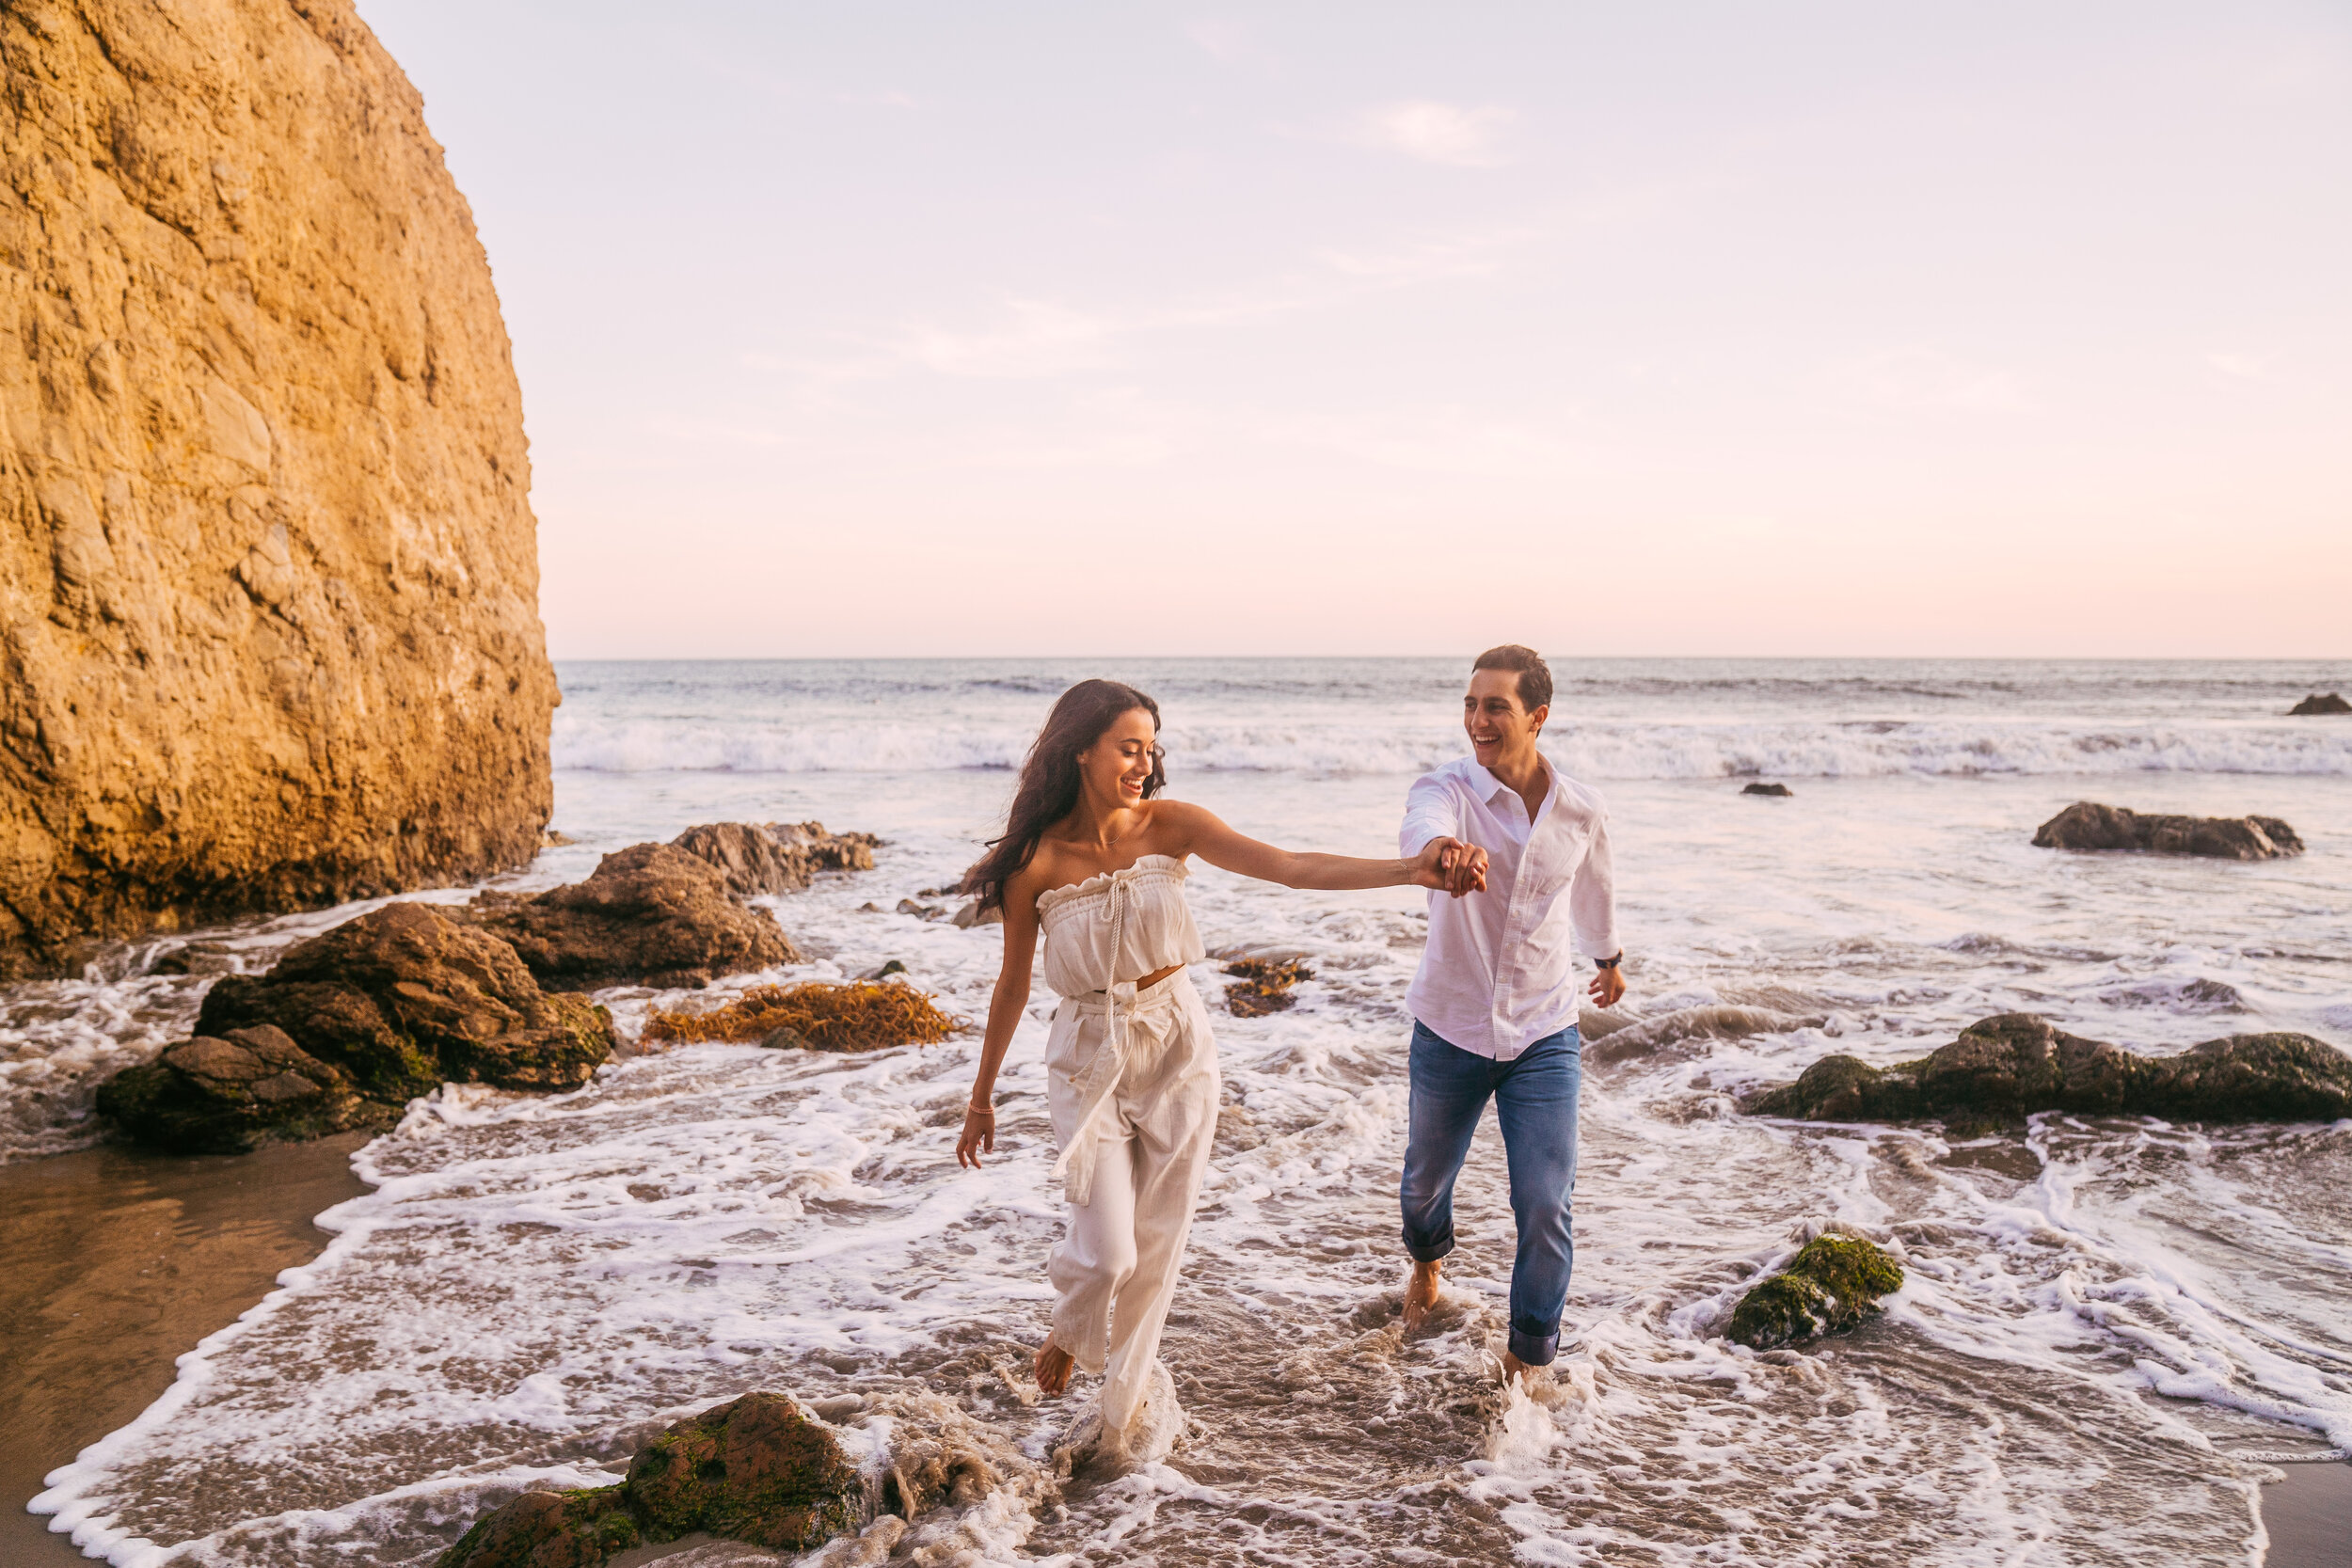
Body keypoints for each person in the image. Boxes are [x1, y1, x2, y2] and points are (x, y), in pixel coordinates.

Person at [954, 677, 1485, 1451]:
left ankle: (1114, 1431)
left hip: (1176, 1044)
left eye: (1150, 748)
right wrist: (981, 1096)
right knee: (1107, 1252)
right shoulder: (1035, 861)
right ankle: (1074, 1320)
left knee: (1158, 1245)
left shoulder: (1173, 825)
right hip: (1085, 1053)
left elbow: (1292, 867)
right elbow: (1012, 983)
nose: (1144, 762)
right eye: (1128, 747)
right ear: (1081, 750)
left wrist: (1412, 871)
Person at [1396, 644, 1625, 1384]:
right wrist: (1441, 854)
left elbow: (1593, 888)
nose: (1477, 719)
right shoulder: (1447, 790)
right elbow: (1419, 832)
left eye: (1495, 705)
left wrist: (1609, 958)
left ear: (1538, 716)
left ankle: (1529, 1360)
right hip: (1450, 1025)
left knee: (1545, 1201)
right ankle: (1427, 1259)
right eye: (1470, 703)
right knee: (1424, 1184)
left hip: (1543, 1030)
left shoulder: (1581, 808)